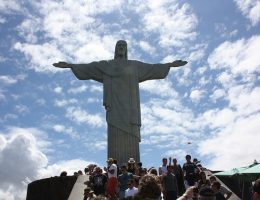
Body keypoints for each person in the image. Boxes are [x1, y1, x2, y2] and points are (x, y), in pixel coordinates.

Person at [53, 40, 187, 164]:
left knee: (130, 135)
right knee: (114, 133)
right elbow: (90, 68)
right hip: (114, 109)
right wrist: (71, 65)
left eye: (124, 46)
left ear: (126, 49)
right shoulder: (107, 65)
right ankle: (115, 164)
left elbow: (152, 68)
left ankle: (133, 166)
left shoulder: (134, 65)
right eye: (119, 45)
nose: (121, 48)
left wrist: (169, 65)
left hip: (130, 109)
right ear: (116, 49)